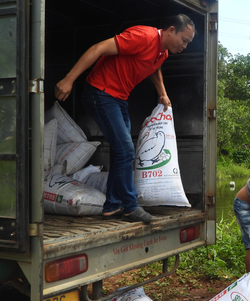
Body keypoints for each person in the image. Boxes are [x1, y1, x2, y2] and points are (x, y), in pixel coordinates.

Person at [54, 14, 196, 223]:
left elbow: (155, 67)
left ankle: (112, 205)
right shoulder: (144, 37)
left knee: (121, 152)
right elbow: (98, 49)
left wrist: (162, 93)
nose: (185, 46)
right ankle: (130, 207)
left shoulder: (162, 51)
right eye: (184, 40)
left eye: (188, 43)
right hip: (100, 92)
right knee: (125, 150)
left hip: (119, 98)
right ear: (171, 30)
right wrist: (69, 79)